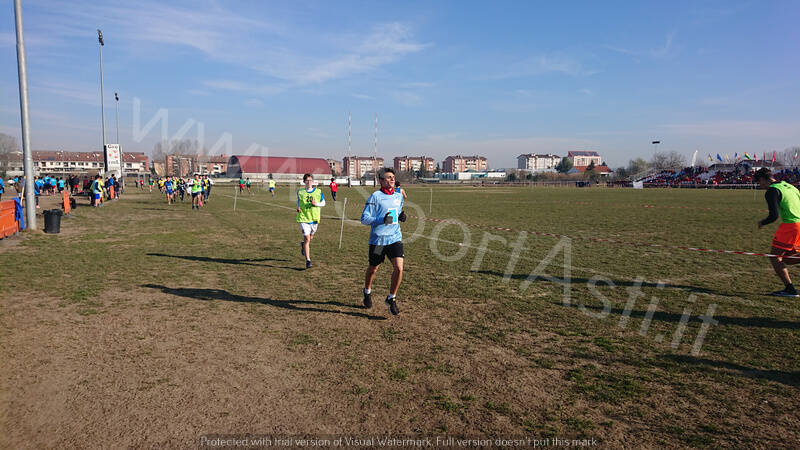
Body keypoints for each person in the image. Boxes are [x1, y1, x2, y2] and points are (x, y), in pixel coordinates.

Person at [360, 168, 406, 315]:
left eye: (392, 177)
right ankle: (367, 291)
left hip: (394, 239)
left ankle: (391, 298)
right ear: (381, 181)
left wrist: (401, 216)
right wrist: (381, 220)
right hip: (379, 241)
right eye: (388, 178)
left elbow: (396, 212)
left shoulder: (399, 196)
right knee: (373, 268)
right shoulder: (375, 197)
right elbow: (364, 219)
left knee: (399, 268)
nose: (391, 180)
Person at [756, 168, 800, 297]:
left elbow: (774, 216)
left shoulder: (772, 191)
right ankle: (789, 289)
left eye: (759, 183)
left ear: (762, 179)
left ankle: (790, 289)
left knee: (775, 257)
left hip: (791, 226)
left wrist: (762, 223)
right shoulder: (790, 186)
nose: (760, 186)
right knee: (788, 258)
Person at [296, 173, 325, 269]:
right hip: (303, 218)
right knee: (307, 239)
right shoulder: (300, 192)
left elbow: (324, 203)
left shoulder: (318, 192)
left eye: (310, 180)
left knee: (310, 238)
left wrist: (316, 204)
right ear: (304, 181)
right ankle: (308, 261)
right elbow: (298, 201)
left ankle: (303, 245)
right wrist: (298, 207)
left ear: (313, 181)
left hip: (314, 218)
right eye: (307, 180)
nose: (309, 182)